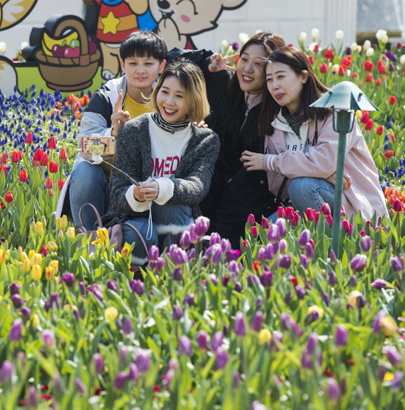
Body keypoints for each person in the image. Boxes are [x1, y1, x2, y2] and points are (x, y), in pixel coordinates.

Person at [166, 32, 286, 248]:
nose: (247, 68)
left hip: (249, 191)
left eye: (258, 64)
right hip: (212, 178)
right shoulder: (222, 86)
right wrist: (206, 64)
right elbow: (169, 59)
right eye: (244, 58)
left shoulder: (276, 108)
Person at [240, 46, 388, 220]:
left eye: (280, 76)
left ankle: (337, 243)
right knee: (265, 235)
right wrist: (317, 171)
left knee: (301, 187)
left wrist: (271, 162)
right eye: (269, 79)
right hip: (301, 203)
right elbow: (276, 185)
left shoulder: (335, 112)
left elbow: (324, 162)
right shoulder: (274, 124)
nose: (275, 85)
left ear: (303, 77)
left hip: (352, 204)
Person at [101, 60, 220, 265]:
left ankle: (172, 274)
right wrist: (136, 194)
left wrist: (162, 188)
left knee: (170, 206)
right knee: (140, 234)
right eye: (165, 92)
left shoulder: (205, 139)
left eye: (180, 96)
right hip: (135, 217)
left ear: (194, 100)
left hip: (176, 219)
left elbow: (198, 186)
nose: (169, 102)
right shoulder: (135, 130)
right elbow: (118, 192)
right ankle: (136, 284)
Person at [55, 31, 168, 230]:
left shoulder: (170, 98)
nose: (140, 70)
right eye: (133, 63)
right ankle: (88, 238)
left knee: (137, 237)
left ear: (161, 66)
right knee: (83, 170)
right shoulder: (107, 97)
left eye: (148, 64)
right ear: (122, 65)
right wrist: (113, 134)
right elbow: (85, 148)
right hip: (106, 190)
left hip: (148, 193)